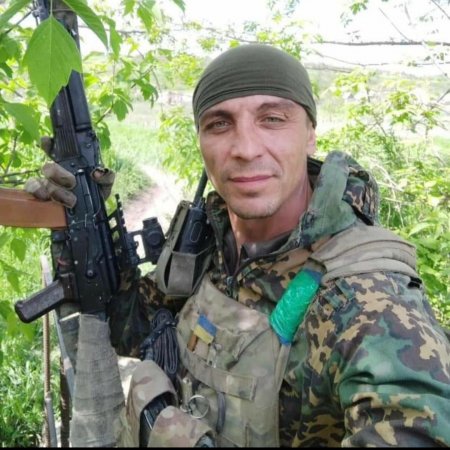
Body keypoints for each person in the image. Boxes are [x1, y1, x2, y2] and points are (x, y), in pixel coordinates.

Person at [26, 44, 450, 447]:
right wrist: (82, 230)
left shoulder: (369, 304)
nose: (245, 149)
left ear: (310, 136)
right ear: (200, 141)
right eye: (219, 124)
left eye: (273, 119)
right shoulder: (211, 245)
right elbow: (131, 329)